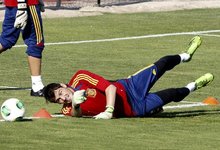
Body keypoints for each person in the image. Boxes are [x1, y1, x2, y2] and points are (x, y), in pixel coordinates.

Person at [43, 36, 214, 119]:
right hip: (135, 109)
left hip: (130, 86)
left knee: (161, 64)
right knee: (173, 94)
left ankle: (184, 56)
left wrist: (109, 110)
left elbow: (109, 88)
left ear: (62, 84)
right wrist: (75, 104)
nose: (62, 98)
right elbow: (76, 114)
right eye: (59, 100)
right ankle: (194, 85)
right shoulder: (67, 108)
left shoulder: (80, 78)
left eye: (60, 92)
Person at [0, 0, 45, 96]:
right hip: (26, 4)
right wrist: (22, 5)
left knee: (6, 40)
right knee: (36, 42)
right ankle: (37, 86)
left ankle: (37, 85)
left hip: (14, 4)